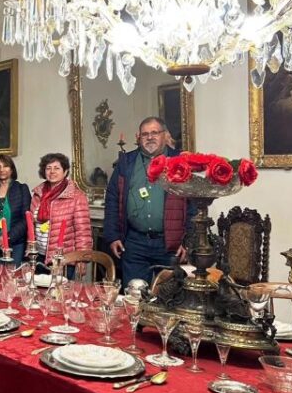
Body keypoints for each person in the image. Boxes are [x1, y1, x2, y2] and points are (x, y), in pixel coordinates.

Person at [104, 116, 189, 286]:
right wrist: (113, 236)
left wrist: (188, 241)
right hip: (135, 243)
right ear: (139, 137)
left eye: (154, 133)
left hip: (170, 243)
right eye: (145, 134)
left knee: (169, 298)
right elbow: (113, 199)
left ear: (165, 135)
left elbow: (192, 204)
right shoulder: (126, 162)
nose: (149, 137)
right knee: (134, 296)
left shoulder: (180, 161)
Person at [30, 153, 92, 264]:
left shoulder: (77, 197)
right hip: (38, 255)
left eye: (57, 168)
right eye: (48, 168)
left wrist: (82, 259)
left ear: (65, 171)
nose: (52, 171)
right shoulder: (38, 194)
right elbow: (31, 225)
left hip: (64, 258)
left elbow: (83, 232)